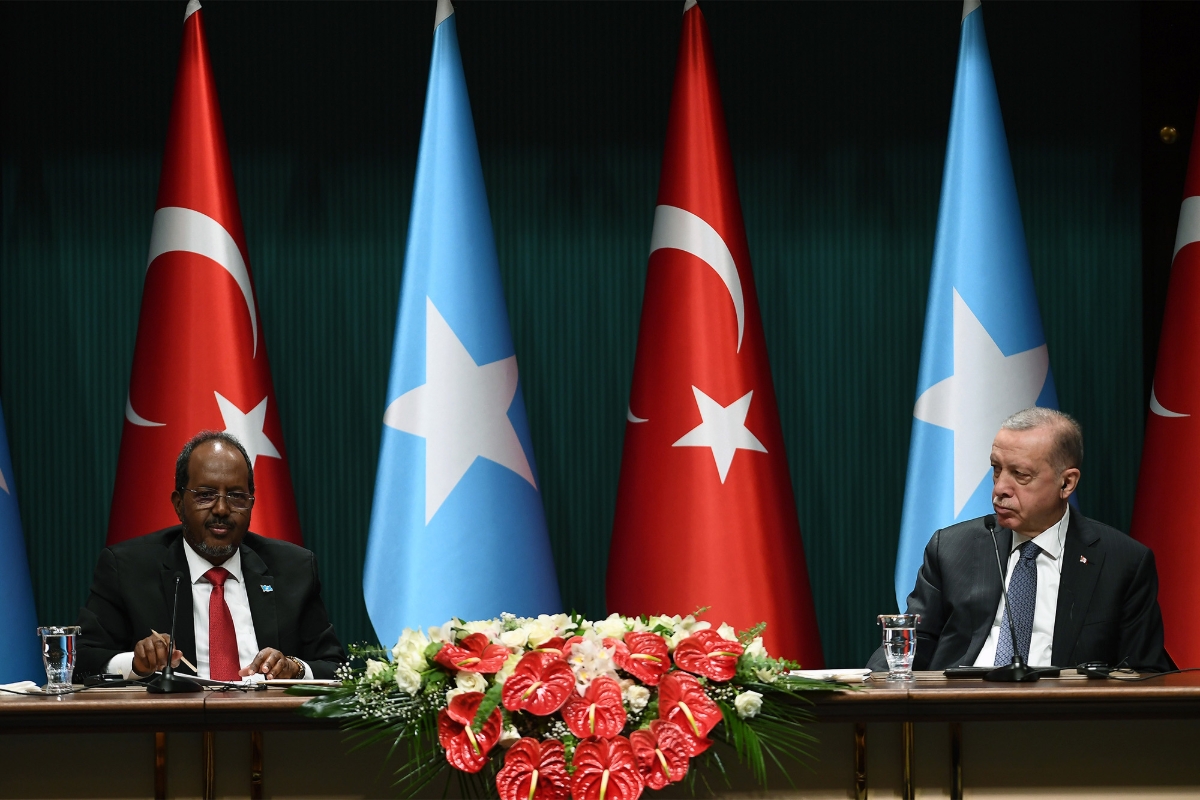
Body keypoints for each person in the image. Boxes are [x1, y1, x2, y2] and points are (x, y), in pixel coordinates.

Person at [869, 407, 1171, 673]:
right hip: (959, 714)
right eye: (996, 469)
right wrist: (868, 687)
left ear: (1066, 483)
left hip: (1065, 722)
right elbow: (913, 643)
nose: (1000, 488)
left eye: (1020, 475)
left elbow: (1143, 671)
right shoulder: (951, 548)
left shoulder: (1121, 562)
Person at [78, 431, 345, 680]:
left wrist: (294, 668)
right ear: (179, 504)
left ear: (252, 504)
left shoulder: (293, 568)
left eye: (237, 496)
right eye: (205, 495)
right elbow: (81, 659)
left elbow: (336, 667)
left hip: (268, 723)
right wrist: (136, 664)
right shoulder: (128, 568)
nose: (221, 508)